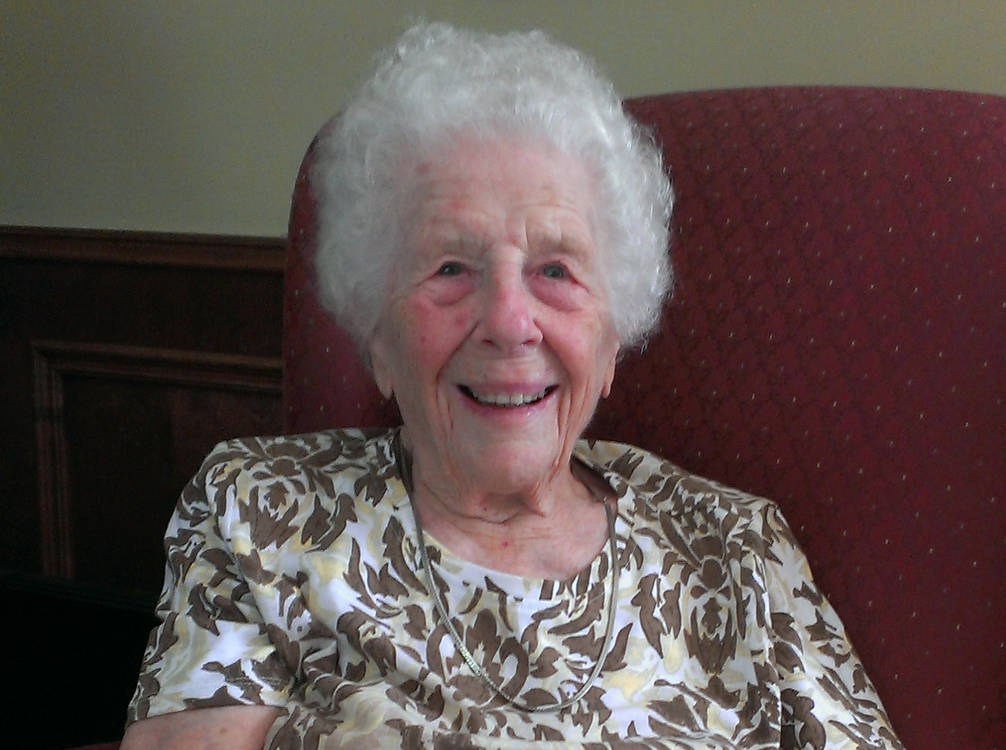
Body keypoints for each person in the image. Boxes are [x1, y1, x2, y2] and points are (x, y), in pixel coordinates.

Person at [122, 22, 903, 750]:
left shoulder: (736, 551)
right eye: (450, 268)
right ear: (377, 334)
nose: (508, 321)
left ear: (612, 338)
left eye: (555, 270)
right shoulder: (261, 516)